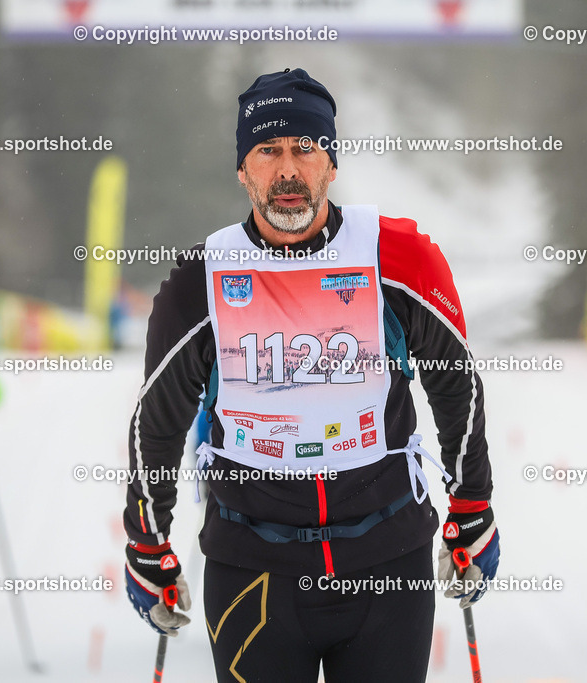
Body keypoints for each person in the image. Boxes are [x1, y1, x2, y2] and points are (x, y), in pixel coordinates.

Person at [123, 68, 498, 683]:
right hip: (253, 572)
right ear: (242, 170)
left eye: (305, 147)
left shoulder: (397, 257)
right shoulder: (201, 282)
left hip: (387, 564)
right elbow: (157, 424)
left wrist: (473, 505)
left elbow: (455, 384)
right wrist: (147, 540)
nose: (288, 170)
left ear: (331, 162)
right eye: (268, 151)